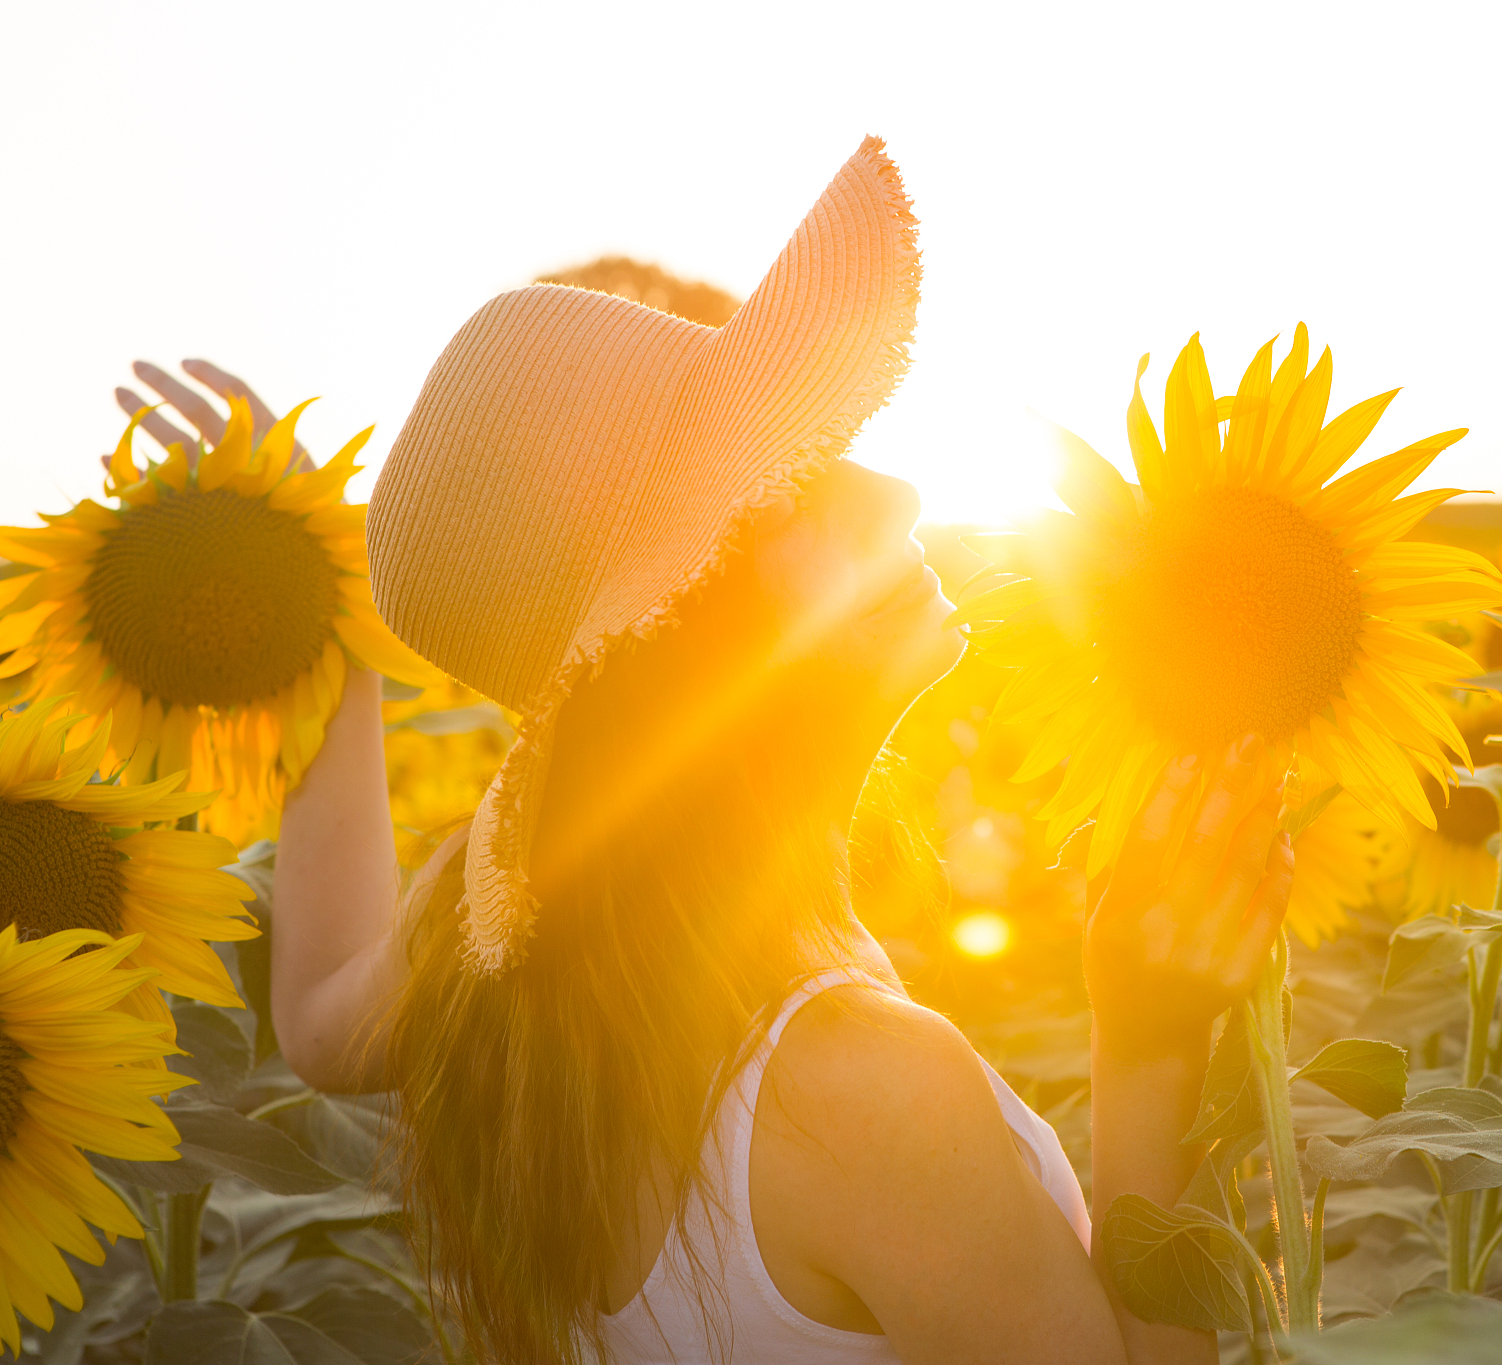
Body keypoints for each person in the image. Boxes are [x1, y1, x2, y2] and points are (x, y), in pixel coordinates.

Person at [130, 139, 1293, 1365]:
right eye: (796, 485)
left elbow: (319, 1021)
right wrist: (1151, 1041)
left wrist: (324, 628)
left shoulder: (528, 944)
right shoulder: (862, 1094)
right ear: (681, 638)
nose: (897, 494)